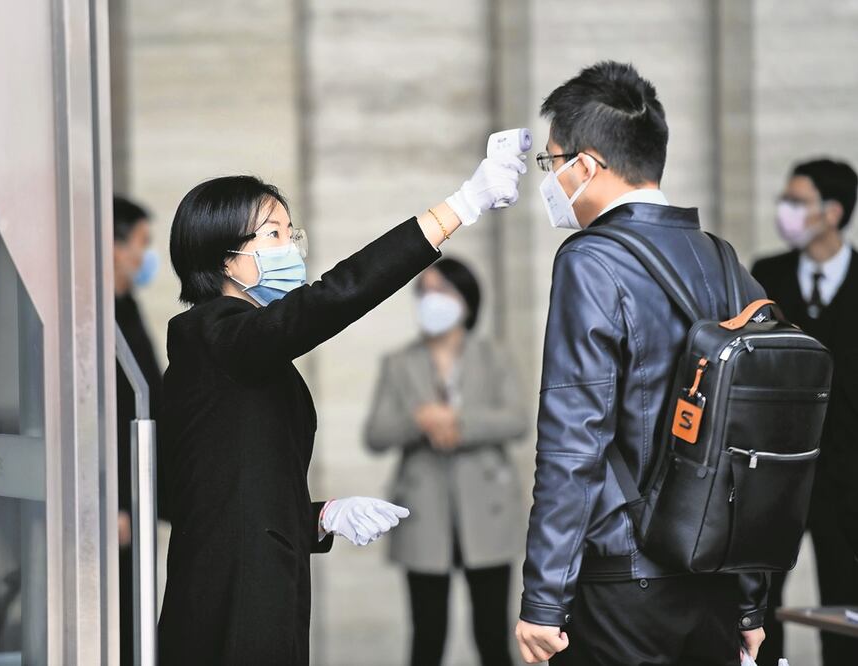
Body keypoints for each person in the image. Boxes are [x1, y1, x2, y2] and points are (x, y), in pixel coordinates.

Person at [157, 154, 528, 665]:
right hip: (234, 598)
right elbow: (334, 298)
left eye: (291, 232)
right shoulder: (215, 333)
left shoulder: (240, 349)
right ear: (225, 259)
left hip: (257, 583)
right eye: (272, 234)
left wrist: (320, 517)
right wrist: (459, 207)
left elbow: (233, 484)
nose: (290, 246)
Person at [514, 61, 769, 666]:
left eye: (552, 163)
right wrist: (751, 602)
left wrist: (543, 601)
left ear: (587, 165)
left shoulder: (590, 261)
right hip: (712, 576)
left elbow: (574, 441)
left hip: (623, 581)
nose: (550, 180)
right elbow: (750, 440)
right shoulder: (722, 259)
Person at [365, 257, 528, 666]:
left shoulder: (494, 356)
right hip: (424, 513)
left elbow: (517, 420)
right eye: (424, 291)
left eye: (441, 291)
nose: (430, 300)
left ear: (467, 301)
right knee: (427, 636)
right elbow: (377, 434)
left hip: (486, 510)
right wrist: (419, 420)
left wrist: (458, 422)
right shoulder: (398, 362)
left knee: (492, 634)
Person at [751, 158, 858, 666]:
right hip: (777, 474)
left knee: (846, 605)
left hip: (849, 481)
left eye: (798, 201)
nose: (786, 211)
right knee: (759, 605)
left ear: (832, 212)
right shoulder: (766, 276)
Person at [112, 195, 164, 666]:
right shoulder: (93, 317)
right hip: (119, 506)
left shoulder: (127, 306)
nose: (146, 258)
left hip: (142, 495)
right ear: (111, 246)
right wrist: (116, 503)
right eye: (141, 244)